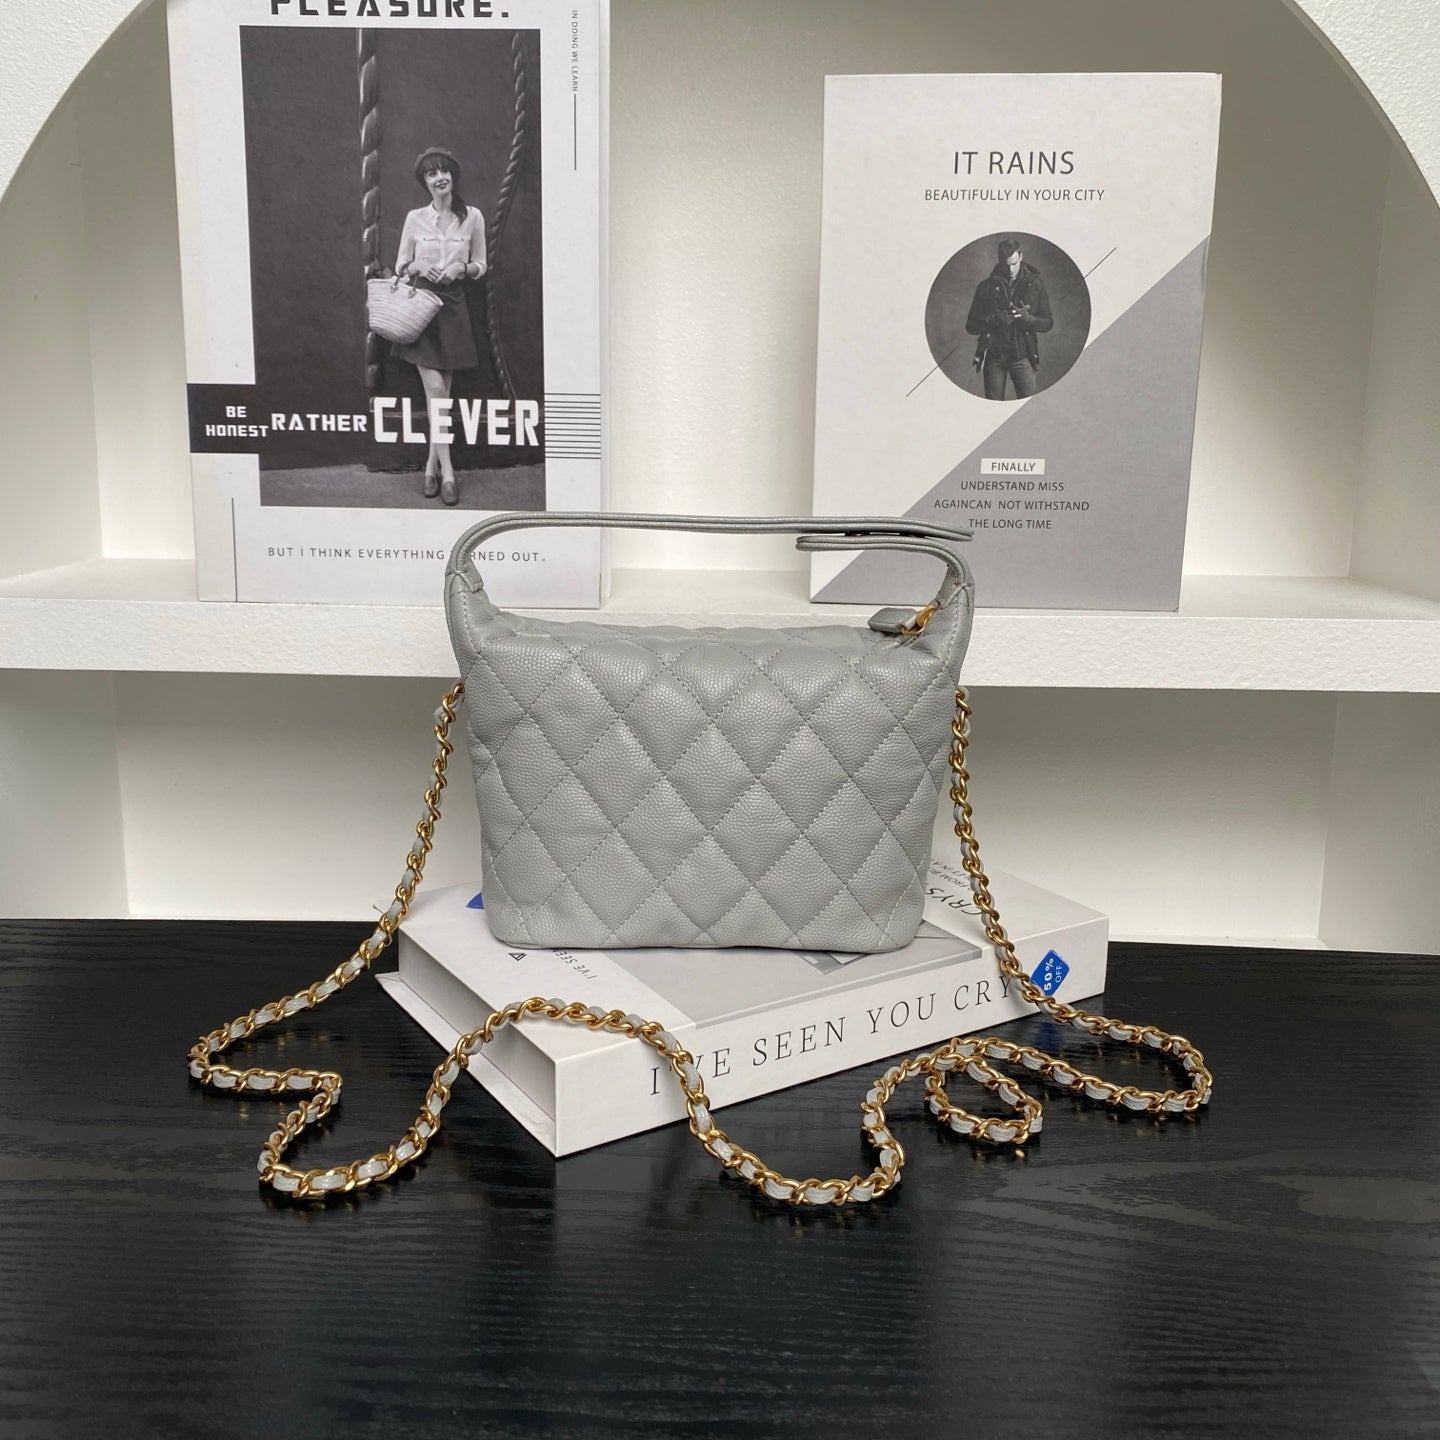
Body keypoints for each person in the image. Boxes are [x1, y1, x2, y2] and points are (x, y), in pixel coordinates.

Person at [392, 146, 487, 505]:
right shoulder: (415, 218)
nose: (439, 178)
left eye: (443, 171)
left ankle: (430, 466)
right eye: (431, 174)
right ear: (425, 182)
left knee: (441, 397)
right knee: (435, 389)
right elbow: (401, 266)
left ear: (452, 176)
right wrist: (417, 266)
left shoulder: (472, 217)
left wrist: (462, 268)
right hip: (421, 309)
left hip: (454, 308)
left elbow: (481, 264)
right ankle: (448, 472)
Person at [965, 238, 1053, 401]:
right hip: (994, 357)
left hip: (1023, 356)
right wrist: (995, 320)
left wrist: (1029, 319)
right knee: (993, 406)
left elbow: (1048, 323)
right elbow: (971, 326)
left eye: (1014, 264)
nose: (1011, 269)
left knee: (1028, 406)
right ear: (999, 261)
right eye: (1006, 265)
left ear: (1021, 256)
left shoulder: (1036, 284)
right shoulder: (985, 287)